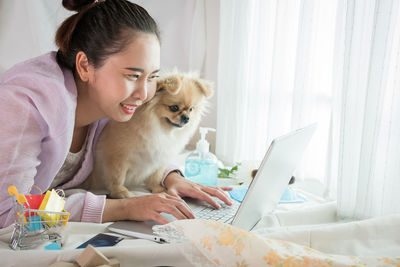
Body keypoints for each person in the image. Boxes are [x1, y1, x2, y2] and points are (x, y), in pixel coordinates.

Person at [0, 0, 232, 228]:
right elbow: (8, 211)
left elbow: (136, 145)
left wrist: (170, 177)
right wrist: (125, 208)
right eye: (132, 76)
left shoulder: (106, 105)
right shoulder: (24, 105)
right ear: (84, 66)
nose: (144, 94)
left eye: (151, 77)